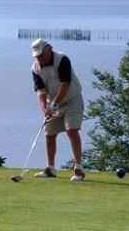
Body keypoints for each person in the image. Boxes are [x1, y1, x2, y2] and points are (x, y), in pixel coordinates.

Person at [30, 38, 85, 181]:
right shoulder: (35, 68)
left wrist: (54, 103)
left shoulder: (62, 59)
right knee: (49, 134)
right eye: (36, 55)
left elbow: (65, 84)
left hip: (72, 100)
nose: (39, 58)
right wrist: (44, 107)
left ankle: (78, 169)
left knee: (71, 130)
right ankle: (50, 169)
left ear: (48, 49)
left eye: (41, 54)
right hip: (53, 104)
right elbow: (40, 90)